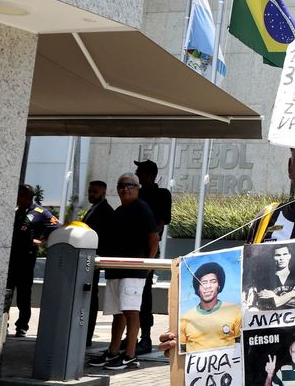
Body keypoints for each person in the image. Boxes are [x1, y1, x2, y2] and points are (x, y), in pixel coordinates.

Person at [160, 149, 295, 352]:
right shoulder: (267, 219)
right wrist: (189, 338)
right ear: (290, 168)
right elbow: (243, 294)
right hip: (266, 357)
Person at [89, 172, 158, 371]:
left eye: (129, 185)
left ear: (137, 188)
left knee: (131, 311)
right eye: (121, 185)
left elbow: (154, 240)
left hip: (133, 271)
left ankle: (130, 355)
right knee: (117, 313)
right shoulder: (119, 211)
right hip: (115, 270)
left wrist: (148, 266)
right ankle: (112, 351)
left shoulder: (142, 208)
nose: (125, 188)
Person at [6, 183, 59, 338]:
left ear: (28, 196)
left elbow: (57, 226)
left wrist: (42, 240)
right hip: (11, 259)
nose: (18, 198)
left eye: (20, 195)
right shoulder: (16, 211)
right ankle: (3, 322)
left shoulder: (40, 212)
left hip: (26, 260)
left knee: (23, 294)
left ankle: (22, 326)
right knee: (6, 292)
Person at [133, 159, 171, 354]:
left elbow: (161, 223)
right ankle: (130, 336)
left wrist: (150, 243)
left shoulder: (161, 195)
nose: (136, 174)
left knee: (143, 293)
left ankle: (145, 337)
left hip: (148, 250)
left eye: (139, 171)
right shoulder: (136, 194)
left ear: (148, 174)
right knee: (129, 294)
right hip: (132, 250)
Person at [179, 261, 241, 351]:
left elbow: (242, 346)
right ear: (198, 289)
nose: (207, 286)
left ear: (219, 286)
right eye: (203, 282)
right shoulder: (185, 319)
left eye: (213, 282)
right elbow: (180, 351)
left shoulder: (235, 311)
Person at [81, 180, 114, 346]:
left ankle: (86, 336)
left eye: (95, 192)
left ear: (103, 192)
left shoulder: (105, 211)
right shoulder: (95, 209)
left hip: (93, 259)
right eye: (90, 191)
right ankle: (84, 335)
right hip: (87, 259)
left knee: (90, 298)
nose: (91, 194)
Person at [247, 244, 295, 310]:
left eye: (285, 254)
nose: (281, 258)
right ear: (272, 257)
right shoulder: (265, 279)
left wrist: (277, 298)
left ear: (290, 255)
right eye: (278, 255)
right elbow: (270, 304)